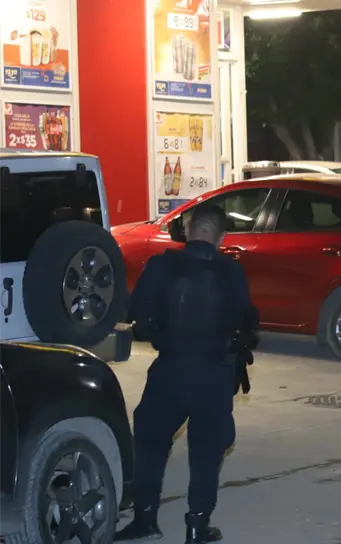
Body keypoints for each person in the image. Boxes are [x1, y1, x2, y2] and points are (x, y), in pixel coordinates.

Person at [116, 203, 259, 544]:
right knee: (206, 454)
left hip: (170, 369)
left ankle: (145, 520)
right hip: (213, 374)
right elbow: (248, 323)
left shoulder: (161, 265)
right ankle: (197, 527)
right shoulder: (231, 273)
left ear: (190, 230)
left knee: (150, 445)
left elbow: (136, 313)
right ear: (220, 236)